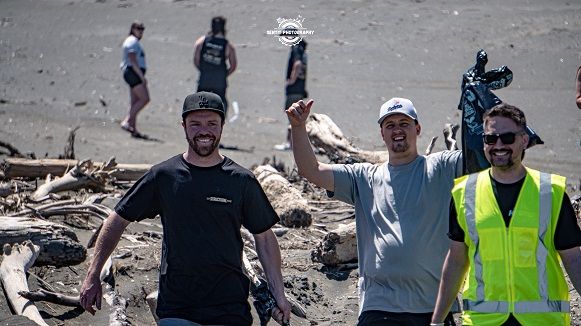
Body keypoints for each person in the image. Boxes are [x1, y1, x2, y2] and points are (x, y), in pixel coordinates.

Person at [80, 91, 291, 325]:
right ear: (183, 126)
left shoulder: (241, 180)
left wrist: (279, 294)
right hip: (177, 306)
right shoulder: (163, 176)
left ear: (222, 125)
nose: (204, 131)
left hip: (229, 308)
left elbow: (264, 237)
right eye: (195, 124)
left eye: (212, 123)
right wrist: (93, 274)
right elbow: (117, 219)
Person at [286, 97, 469, 325]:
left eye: (404, 123)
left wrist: (474, 101)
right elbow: (311, 170)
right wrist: (298, 127)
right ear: (382, 134)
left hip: (434, 308)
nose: (397, 130)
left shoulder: (441, 167)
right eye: (390, 125)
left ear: (418, 128)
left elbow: (482, 155)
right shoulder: (365, 178)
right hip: (379, 307)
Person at [431, 103, 581, 326]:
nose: (498, 145)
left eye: (507, 137)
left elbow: (574, 258)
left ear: (524, 140)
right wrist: (437, 320)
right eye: (491, 139)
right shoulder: (464, 193)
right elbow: (456, 260)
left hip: (542, 320)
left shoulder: (550, 192)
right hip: (485, 321)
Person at [193, 16, 237, 116]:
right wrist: (224, 74)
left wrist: (203, 70)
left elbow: (196, 60)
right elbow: (233, 66)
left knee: (201, 104)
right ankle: (218, 125)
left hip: (204, 79)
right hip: (219, 81)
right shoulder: (228, 46)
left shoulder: (201, 41)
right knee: (220, 104)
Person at [274, 39, 308, 151]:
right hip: (300, 89)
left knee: (292, 116)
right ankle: (294, 144)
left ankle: (289, 143)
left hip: (294, 90)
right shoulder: (303, 50)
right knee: (296, 117)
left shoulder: (296, 48)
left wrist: (291, 81)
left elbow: (297, 65)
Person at [120, 21, 150, 137]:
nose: (141, 31)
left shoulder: (135, 42)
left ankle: (133, 128)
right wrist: (142, 77)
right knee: (145, 98)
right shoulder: (132, 41)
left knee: (135, 101)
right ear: (133, 29)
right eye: (138, 28)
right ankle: (127, 121)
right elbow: (132, 59)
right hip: (133, 72)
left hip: (133, 72)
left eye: (142, 29)